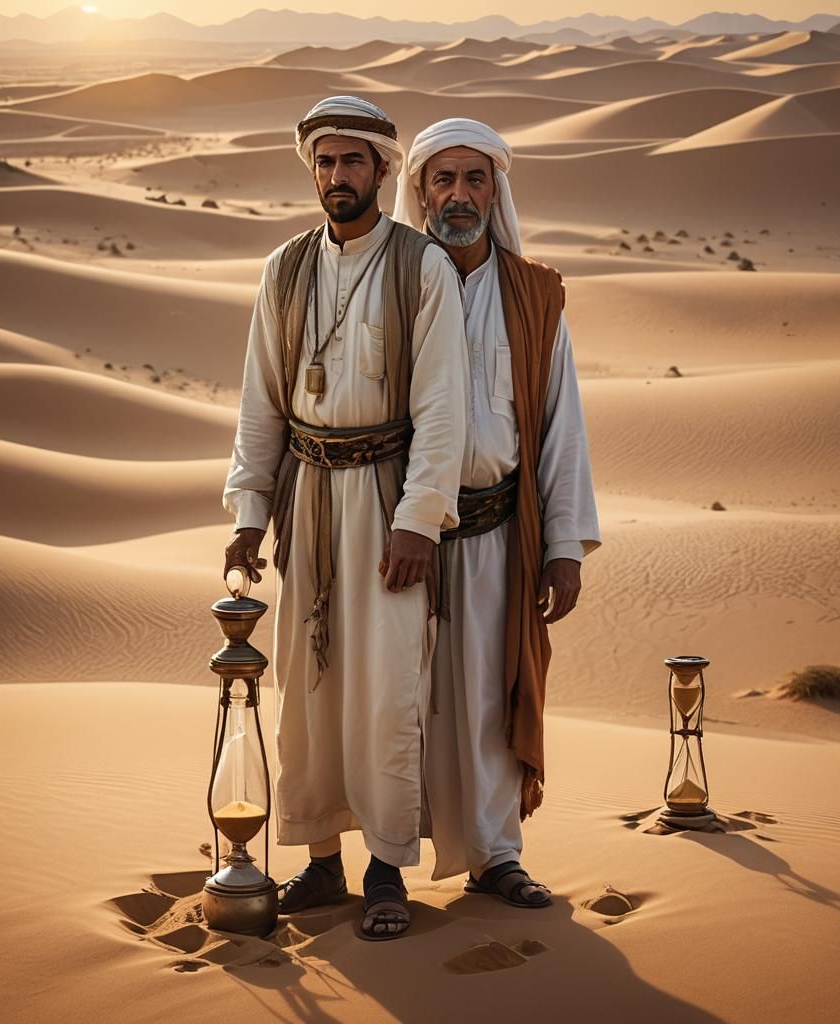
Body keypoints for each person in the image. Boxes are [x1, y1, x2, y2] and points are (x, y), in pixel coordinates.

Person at [222, 97, 468, 941]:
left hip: (385, 498)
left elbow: (443, 408)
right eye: (324, 163)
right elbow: (261, 401)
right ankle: (322, 862)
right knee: (309, 691)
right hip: (308, 500)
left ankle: (388, 867)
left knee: (386, 688)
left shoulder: (420, 266)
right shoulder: (284, 268)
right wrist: (251, 511)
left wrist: (418, 521)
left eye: (353, 162)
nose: (337, 177)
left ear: (383, 170)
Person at [394, 118, 601, 906]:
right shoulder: (396, 283)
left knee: (488, 697)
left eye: (474, 179)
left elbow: (560, 422)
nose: (458, 196)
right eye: (442, 180)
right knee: (397, 699)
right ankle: (386, 858)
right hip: (401, 539)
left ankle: (495, 855)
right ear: (421, 192)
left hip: (495, 536)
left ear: (496, 191)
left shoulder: (534, 294)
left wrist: (565, 545)